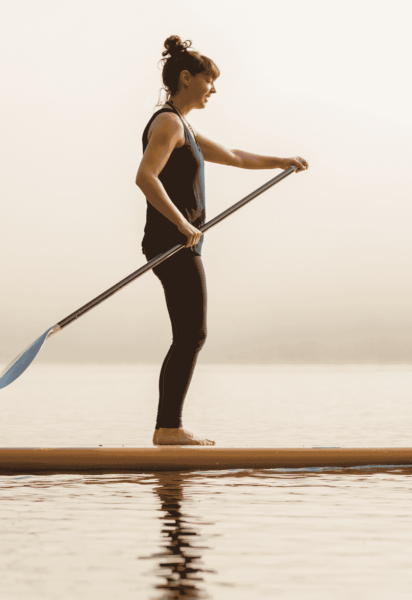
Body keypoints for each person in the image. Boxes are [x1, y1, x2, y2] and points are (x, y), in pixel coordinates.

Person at [136, 36, 308, 446]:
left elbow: (234, 155)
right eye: (208, 81)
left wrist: (280, 160)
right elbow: (145, 177)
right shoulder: (168, 123)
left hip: (180, 242)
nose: (213, 89)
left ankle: (168, 428)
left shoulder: (184, 126)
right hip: (172, 243)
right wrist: (181, 223)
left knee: (189, 334)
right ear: (186, 78)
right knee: (191, 334)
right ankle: (168, 429)